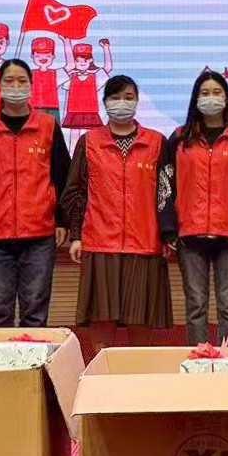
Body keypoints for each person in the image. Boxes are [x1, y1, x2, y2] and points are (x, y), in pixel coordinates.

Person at [0, 59, 70, 327]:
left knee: (36, 314)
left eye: (21, 81)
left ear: (31, 85)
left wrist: (62, 220)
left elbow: (62, 176)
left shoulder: (48, 125)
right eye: (9, 81)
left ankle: (34, 357)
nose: (15, 86)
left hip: (39, 234)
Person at [64, 75, 176, 338]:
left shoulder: (156, 142)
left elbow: (167, 193)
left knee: (140, 321)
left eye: (128, 97)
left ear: (137, 101)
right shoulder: (88, 142)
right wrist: (76, 235)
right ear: (105, 102)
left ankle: (135, 366)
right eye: (115, 98)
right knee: (101, 320)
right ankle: (101, 365)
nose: (121, 103)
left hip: (144, 244)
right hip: (100, 244)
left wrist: (167, 235)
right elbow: (75, 192)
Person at [170, 70, 228, 345]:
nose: (211, 98)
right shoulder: (179, 138)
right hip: (190, 234)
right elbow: (165, 185)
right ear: (195, 99)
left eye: (217, 92)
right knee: (196, 306)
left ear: (227, 98)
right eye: (205, 93)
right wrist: (168, 228)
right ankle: (198, 360)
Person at [60, 37, 112, 148]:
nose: (81, 63)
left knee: (91, 136)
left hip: (90, 112)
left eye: (85, 60)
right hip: (74, 112)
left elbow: (108, 68)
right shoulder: (71, 77)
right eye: (78, 61)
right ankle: (72, 155)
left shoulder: (95, 76)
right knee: (74, 136)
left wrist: (106, 48)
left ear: (90, 60)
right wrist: (66, 42)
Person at [29, 37, 62, 119]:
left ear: (53, 56)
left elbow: (70, 66)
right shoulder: (29, 73)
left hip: (52, 108)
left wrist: (66, 42)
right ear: (32, 56)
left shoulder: (56, 73)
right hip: (33, 108)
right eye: (38, 56)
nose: (43, 58)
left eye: (47, 56)